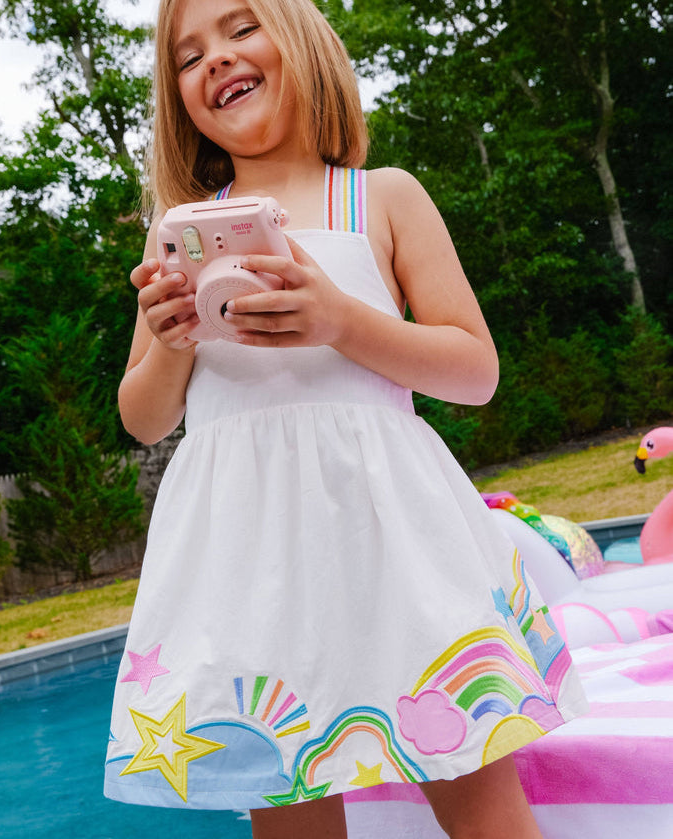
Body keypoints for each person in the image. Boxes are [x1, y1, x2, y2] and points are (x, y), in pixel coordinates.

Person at [104, 1, 588, 837]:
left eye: (239, 28)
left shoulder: (382, 199)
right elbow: (143, 418)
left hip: (395, 549)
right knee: (290, 812)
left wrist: (342, 321)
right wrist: (173, 339)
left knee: (480, 803)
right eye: (188, 55)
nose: (215, 59)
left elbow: (475, 369)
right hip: (248, 569)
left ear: (303, 43)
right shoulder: (175, 233)